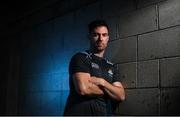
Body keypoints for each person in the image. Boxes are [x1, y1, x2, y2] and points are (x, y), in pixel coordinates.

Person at [63, 20, 125, 116]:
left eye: (104, 35)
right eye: (96, 35)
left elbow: (121, 95)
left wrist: (102, 82)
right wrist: (110, 91)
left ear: (108, 38)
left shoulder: (111, 66)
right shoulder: (81, 57)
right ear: (89, 37)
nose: (100, 38)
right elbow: (83, 89)